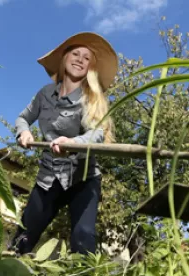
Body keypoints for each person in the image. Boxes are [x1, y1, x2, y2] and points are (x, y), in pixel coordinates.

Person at [8, 32, 118, 256]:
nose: (80, 59)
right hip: (49, 178)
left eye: (86, 58)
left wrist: (73, 142)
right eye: (75, 53)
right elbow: (22, 118)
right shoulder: (45, 94)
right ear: (64, 58)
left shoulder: (91, 98)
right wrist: (25, 132)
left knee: (83, 236)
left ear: (90, 68)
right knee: (23, 236)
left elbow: (96, 133)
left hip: (83, 178)